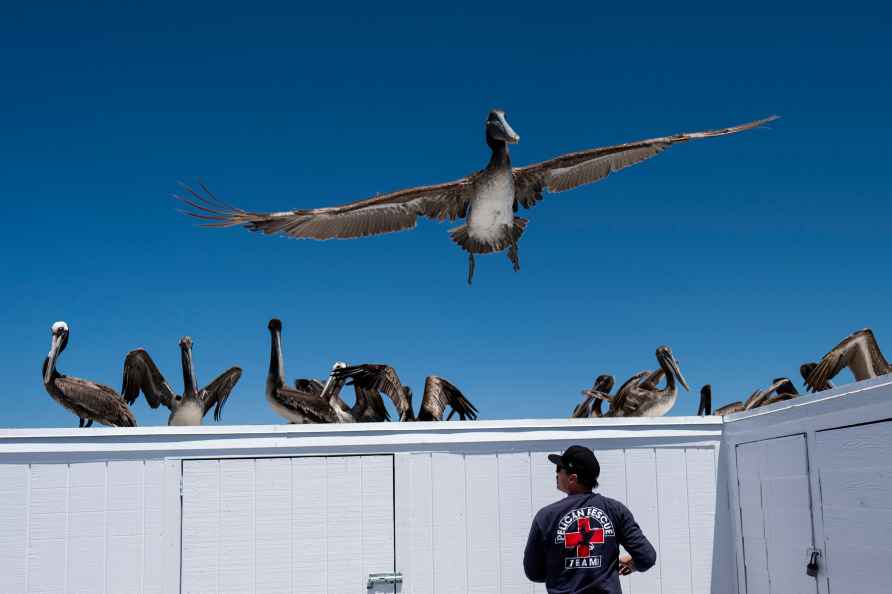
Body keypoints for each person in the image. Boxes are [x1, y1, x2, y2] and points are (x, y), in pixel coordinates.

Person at [523, 445, 656, 593]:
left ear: (573, 478)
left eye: (559, 470)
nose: (556, 474)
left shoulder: (547, 516)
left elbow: (533, 572)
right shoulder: (615, 510)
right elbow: (647, 557)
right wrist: (633, 564)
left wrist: (564, 569)